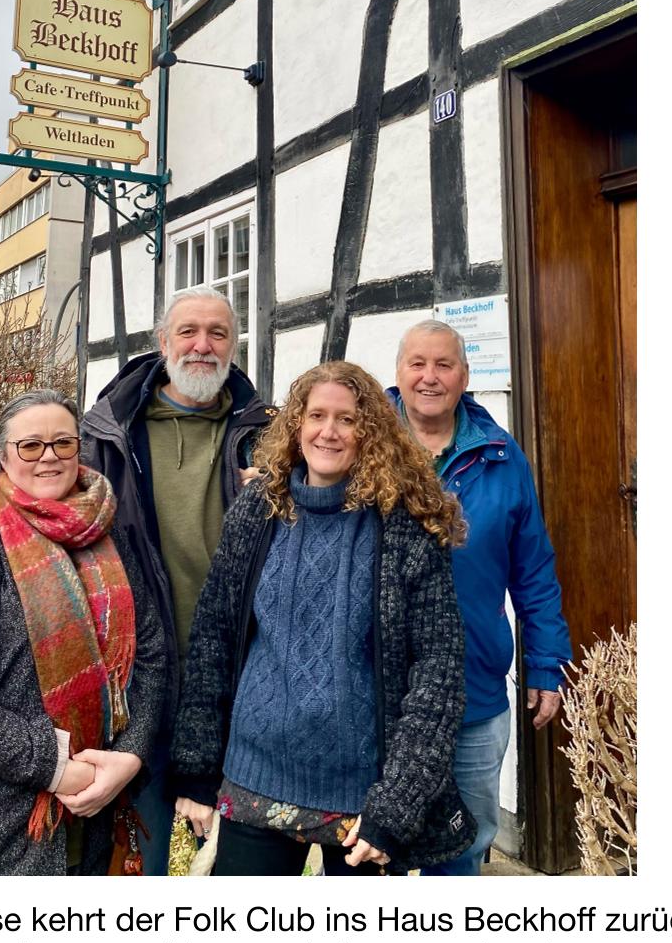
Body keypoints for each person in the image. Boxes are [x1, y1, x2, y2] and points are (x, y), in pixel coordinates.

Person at [169, 361, 473, 876]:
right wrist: (196, 770)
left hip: (362, 795)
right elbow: (213, 637)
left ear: (370, 433)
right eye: (316, 416)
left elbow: (437, 672)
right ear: (297, 425)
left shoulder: (405, 524)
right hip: (255, 774)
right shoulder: (257, 510)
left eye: (347, 419)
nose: (328, 431)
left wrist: (396, 806)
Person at [0, 390, 164, 876]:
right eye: (31, 445)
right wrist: (57, 767)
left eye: (62, 442)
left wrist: (130, 756)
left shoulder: (108, 533)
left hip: (94, 817)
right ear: (4, 456)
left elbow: (152, 654)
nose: (49, 456)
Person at [79, 287, 272, 873]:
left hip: (238, 676)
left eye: (218, 333)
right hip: (140, 676)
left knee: (242, 865)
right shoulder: (107, 434)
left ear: (234, 347)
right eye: (188, 331)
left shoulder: (267, 436)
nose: (202, 345)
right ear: (163, 342)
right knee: (139, 854)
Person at [390, 320, 572, 875]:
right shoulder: (364, 444)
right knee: (367, 851)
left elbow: (533, 570)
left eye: (444, 365)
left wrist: (545, 664)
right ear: (398, 372)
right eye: (418, 363)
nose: (430, 377)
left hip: (474, 688)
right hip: (378, 689)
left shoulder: (500, 456)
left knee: (464, 844)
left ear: (464, 377)